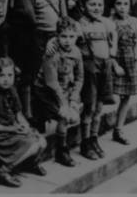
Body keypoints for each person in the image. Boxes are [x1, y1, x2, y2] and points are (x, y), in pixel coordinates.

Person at [0, 57, 47, 188]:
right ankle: (4, 170)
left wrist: (25, 126)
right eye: (1, 75)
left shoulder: (12, 90)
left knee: (42, 141)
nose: (6, 79)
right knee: (32, 144)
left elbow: (18, 114)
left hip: (13, 129)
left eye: (10, 75)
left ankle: (30, 163)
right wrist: (12, 129)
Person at [74, 0, 120, 160]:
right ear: (84, 6)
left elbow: (113, 34)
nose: (97, 8)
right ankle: (85, 143)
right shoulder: (80, 24)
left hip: (105, 68)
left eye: (100, 4)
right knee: (89, 107)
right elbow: (70, 41)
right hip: (89, 68)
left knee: (100, 106)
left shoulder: (106, 23)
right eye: (92, 4)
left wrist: (113, 51)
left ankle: (94, 139)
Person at [34, 17, 84, 167]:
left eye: (71, 36)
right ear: (57, 36)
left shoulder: (76, 52)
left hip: (65, 88)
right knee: (64, 115)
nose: (67, 41)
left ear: (76, 36)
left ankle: (62, 147)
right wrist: (64, 104)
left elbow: (80, 77)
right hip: (46, 90)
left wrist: (74, 98)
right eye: (63, 36)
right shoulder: (52, 53)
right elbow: (52, 82)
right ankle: (61, 151)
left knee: (72, 115)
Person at [110, 0, 137, 145]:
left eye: (126, 4)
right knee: (106, 97)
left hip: (130, 63)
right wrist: (114, 65)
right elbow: (106, 47)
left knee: (126, 96)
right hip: (114, 63)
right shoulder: (109, 22)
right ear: (113, 5)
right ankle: (92, 134)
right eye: (118, 3)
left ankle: (118, 129)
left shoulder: (135, 22)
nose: (122, 7)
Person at [7, 0, 38, 120]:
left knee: (28, 76)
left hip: (30, 39)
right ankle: (14, 112)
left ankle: (28, 112)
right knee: (16, 74)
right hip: (16, 38)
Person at [34, 0, 67, 79]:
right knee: (40, 68)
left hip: (55, 33)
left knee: (55, 65)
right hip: (39, 34)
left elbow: (64, 16)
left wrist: (60, 34)